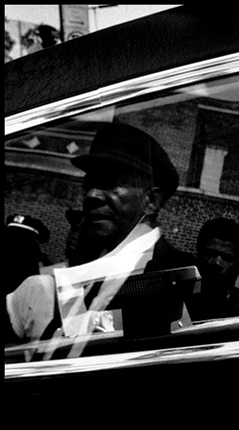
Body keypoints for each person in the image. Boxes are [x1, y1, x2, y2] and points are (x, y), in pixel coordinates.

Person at [6, 122, 195, 344]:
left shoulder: (183, 277)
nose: (91, 195)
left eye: (109, 184)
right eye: (88, 185)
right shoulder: (80, 274)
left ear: (151, 201)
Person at [186, 217, 239, 321]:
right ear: (199, 255)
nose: (217, 263)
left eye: (227, 258)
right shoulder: (175, 303)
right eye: (211, 254)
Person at [5, 214, 51, 295]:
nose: (13, 243)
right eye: (10, 236)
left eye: (21, 238)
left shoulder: (42, 274)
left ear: (33, 244)